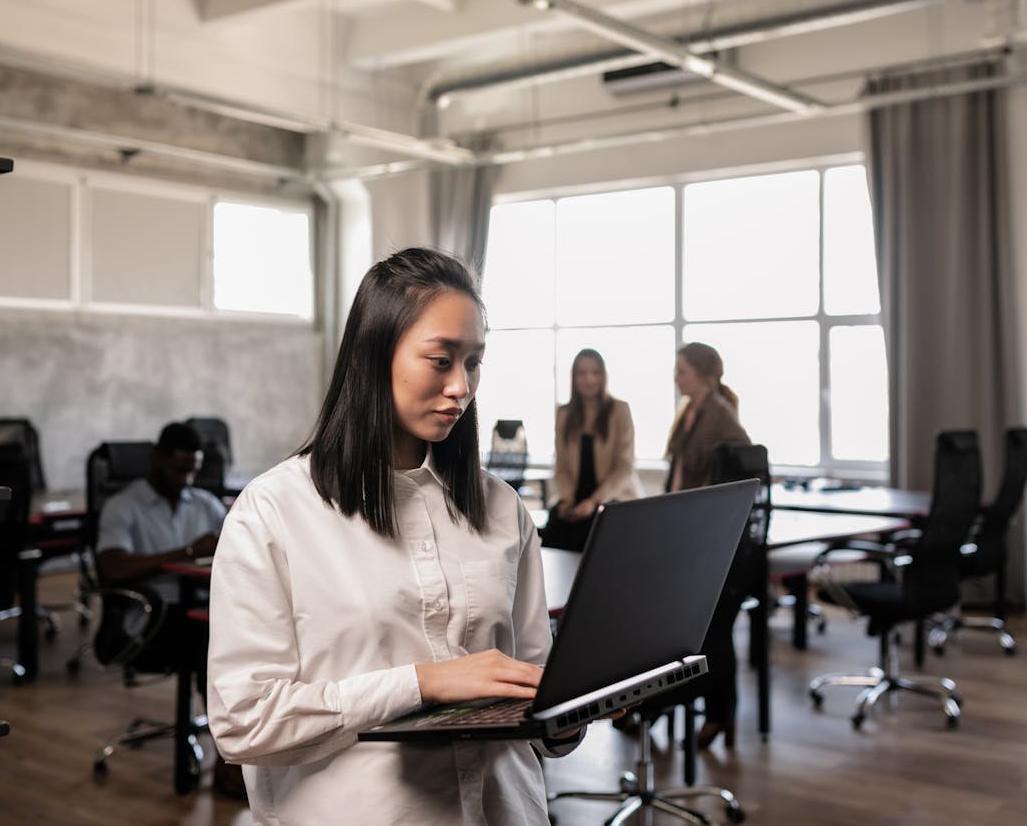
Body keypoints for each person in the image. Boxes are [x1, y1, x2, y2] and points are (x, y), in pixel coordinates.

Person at [206, 248, 583, 825]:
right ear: (371, 357)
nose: (461, 387)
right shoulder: (274, 511)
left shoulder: (501, 508)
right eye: (440, 360)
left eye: (475, 362)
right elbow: (245, 722)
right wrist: (423, 684)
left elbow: (536, 685)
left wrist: (577, 705)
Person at [94, 421, 244, 796]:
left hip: (200, 611)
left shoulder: (206, 504)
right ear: (156, 460)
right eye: (178, 469)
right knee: (214, 647)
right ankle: (232, 762)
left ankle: (241, 748)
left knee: (238, 640)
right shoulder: (123, 506)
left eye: (193, 469)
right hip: (149, 620)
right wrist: (189, 551)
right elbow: (112, 567)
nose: (186, 478)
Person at [665, 341, 750, 750]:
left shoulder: (719, 416)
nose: (677, 377)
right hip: (690, 537)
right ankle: (669, 704)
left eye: (681, 370)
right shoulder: (693, 412)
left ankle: (720, 714)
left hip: (714, 544)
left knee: (716, 633)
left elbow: (732, 476)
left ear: (701, 373)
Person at [542, 348, 643, 551]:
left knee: (592, 527)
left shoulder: (619, 410)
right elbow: (561, 466)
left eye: (595, 372)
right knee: (555, 523)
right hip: (575, 497)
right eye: (582, 373)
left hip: (610, 497)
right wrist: (566, 500)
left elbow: (624, 468)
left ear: (603, 376)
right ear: (574, 377)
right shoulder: (564, 414)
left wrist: (595, 502)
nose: (588, 379)